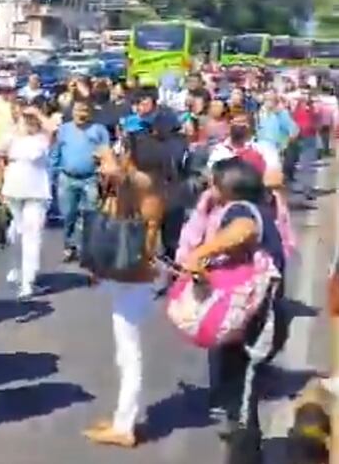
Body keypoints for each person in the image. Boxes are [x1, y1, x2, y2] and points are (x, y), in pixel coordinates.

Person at [180, 158, 285, 462]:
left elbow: (243, 230)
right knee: (236, 392)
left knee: (243, 400)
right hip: (246, 318)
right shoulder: (257, 205)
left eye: (214, 182)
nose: (210, 188)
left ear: (229, 186)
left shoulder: (241, 210)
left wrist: (200, 253)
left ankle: (245, 454)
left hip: (254, 320)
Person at [83, 133, 166, 449]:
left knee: (129, 354)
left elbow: (120, 175)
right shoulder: (145, 183)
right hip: (132, 274)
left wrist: (107, 156)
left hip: (136, 275)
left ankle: (125, 425)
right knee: (124, 352)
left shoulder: (146, 184)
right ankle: (123, 416)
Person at [1, 110, 52, 299]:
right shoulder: (12, 138)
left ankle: (28, 281)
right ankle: (17, 269)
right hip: (14, 191)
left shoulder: (41, 140)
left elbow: (51, 129)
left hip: (36, 194)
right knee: (14, 233)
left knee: (32, 236)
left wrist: (38, 114)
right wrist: (13, 131)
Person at [52, 99, 110, 263]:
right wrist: (52, 175)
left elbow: (107, 154)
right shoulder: (63, 130)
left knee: (90, 215)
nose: (81, 114)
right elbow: (55, 153)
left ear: (90, 113)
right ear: (72, 112)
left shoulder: (99, 130)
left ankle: (87, 249)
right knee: (68, 215)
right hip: (67, 178)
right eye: (78, 110)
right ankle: (69, 247)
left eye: (85, 111)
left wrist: (104, 169)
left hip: (90, 179)